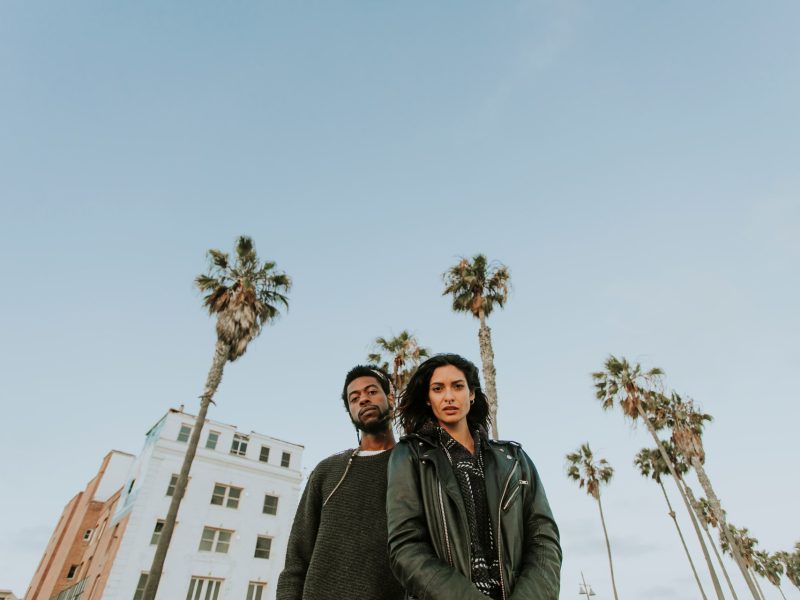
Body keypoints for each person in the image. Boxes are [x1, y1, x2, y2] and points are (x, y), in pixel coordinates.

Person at [387, 353, 562, 600]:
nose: (449, 396)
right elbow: (406, 547)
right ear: (428, 399)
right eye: (438, 389)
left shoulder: (514, 459)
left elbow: (544, 540)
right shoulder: (410, 456)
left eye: (457, 386)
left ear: (471, 394)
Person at [276, 365, 405, 600]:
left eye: (371, 391)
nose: (363, 399)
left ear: (390, 398)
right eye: (354, 398)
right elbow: (296, 558)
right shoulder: (327, 471)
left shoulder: (414, 466)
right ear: (350, 412)